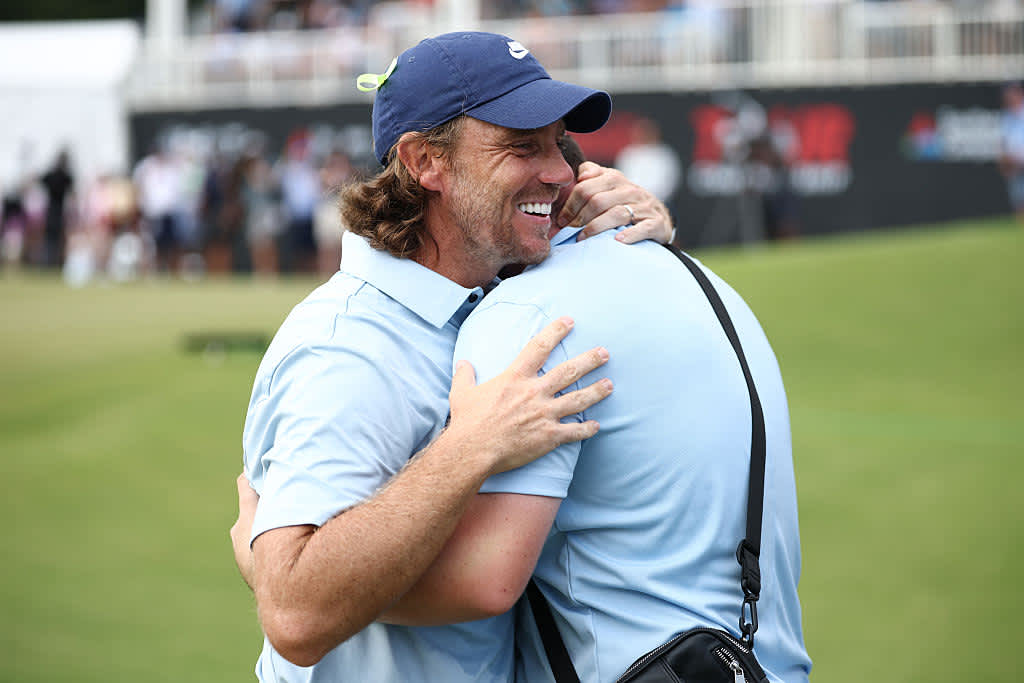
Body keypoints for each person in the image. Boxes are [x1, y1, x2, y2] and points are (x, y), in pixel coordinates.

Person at [233, 31, 675, 683]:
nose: (560, 171)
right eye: (522, 145)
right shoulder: (349, 347)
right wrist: (472, 446)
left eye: (559, 144)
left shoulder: (502, 290)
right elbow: (296, 615)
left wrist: (645, 235)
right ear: (425, 162)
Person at [998, 81, 1024, 224]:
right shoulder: (1006, 117)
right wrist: (1004, 161)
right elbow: (1004, 143)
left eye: (1012, 94)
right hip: (1015, 166)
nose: (1009, 98)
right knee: (1019, 199)